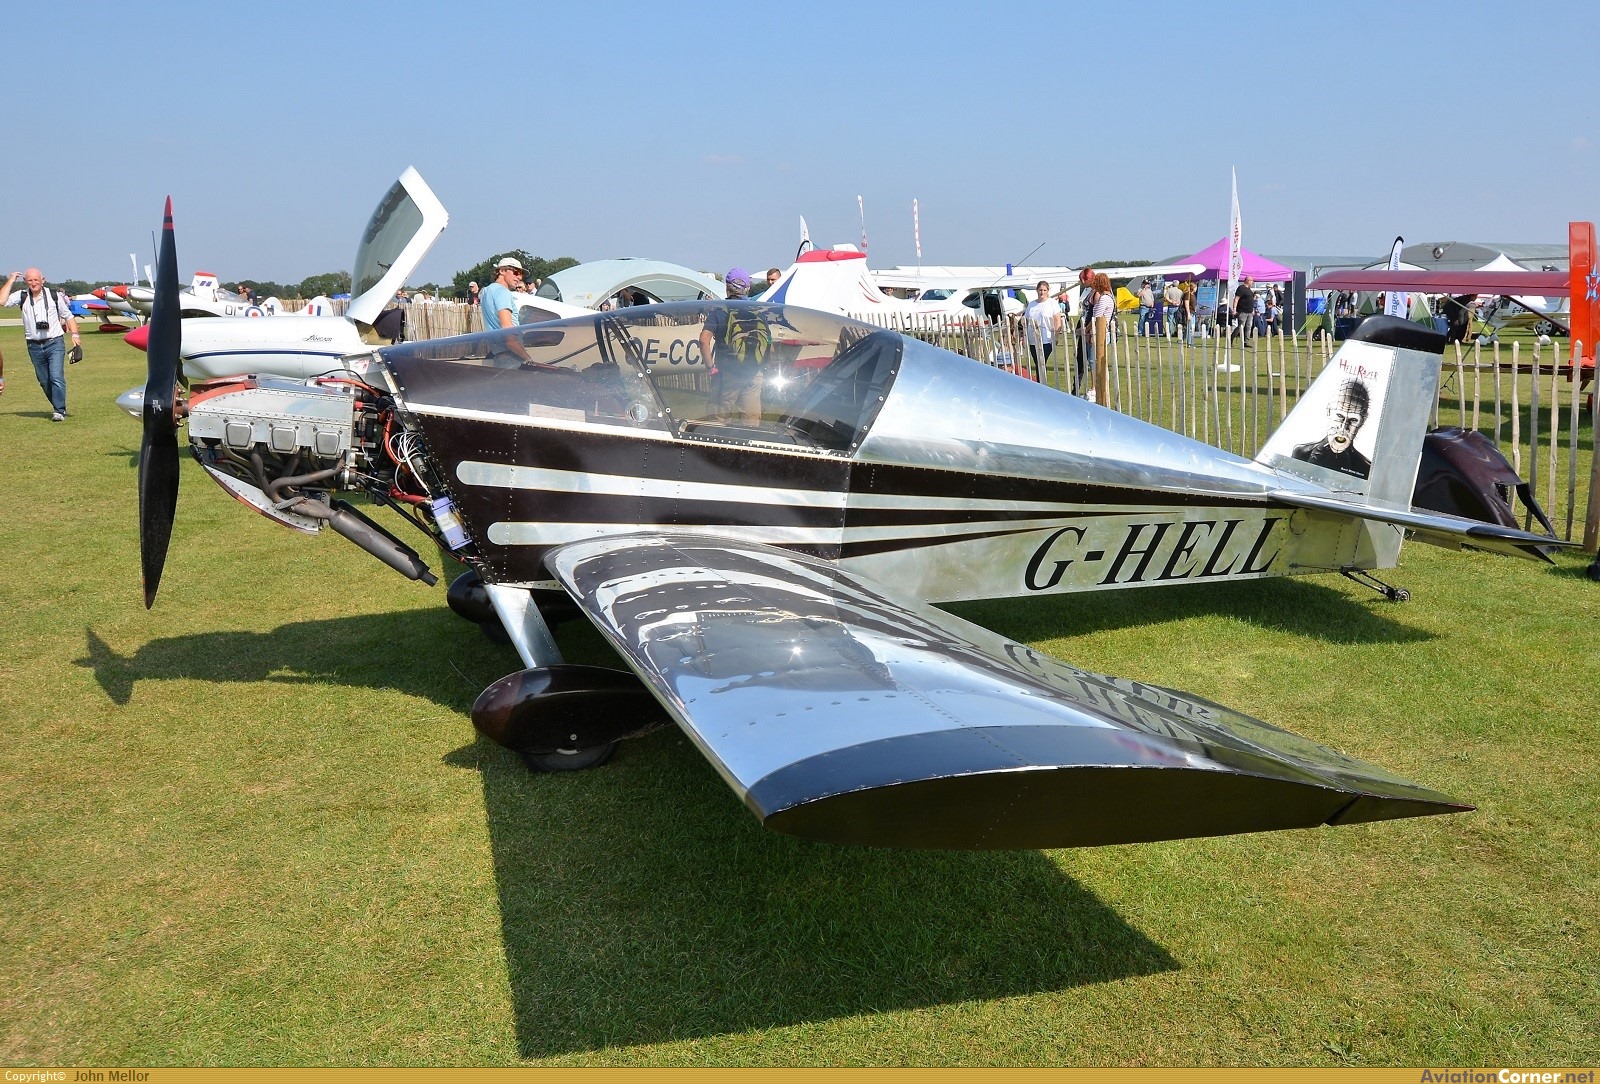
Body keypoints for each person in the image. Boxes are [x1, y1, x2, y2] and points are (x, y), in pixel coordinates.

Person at [1, 268, 79, 421]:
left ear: (43, 280)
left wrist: (75, 334)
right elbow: (1, 301)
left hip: (54, 342)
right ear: (25, 281)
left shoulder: (54, 296)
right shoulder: (22, 296)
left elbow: (68, 316)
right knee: (44, 381)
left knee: (56, 377)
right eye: (30, 280)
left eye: (36, 280)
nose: (33, 283)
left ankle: (59, 411)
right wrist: (10, 280)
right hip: (34, 345)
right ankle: (58, 406)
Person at [698, 268, 769, 425]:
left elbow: (703, 340)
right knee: (750, 421)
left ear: (727, 287)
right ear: (747, 288)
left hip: (727, 372)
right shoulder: (757, 311)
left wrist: (710, 368)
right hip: (754, 372)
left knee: (718, 419)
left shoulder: (720, 310)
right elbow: (768, 341)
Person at [1291, 378, 1372, 479]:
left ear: (1362, 421)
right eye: (1340, 416)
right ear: (1329, 411)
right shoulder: (1301, 454)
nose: (1344, 427)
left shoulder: (1366, 469)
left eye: (1353, 420)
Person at [1023, 280, 1062, 376]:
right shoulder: (1031, 304)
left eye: (1044, 290)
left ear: (1048, 291)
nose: (1042, 292)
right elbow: (1026, 321)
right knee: (1037, 362)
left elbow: (1057, 320)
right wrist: (1023, 336)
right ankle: (1040, 381)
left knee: (1041, 362)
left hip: (1046, 339)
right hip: (1033, 339)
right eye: (1040, 290)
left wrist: (1056, 336)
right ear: (1037, 290)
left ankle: (1041, 380)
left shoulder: (1052, 303)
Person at [481, 257, 525, 332]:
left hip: (492, 338)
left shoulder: (486, 291)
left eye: (521, 274)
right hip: (505, 339)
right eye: (516, 273)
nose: (519, 277)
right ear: (502, 271)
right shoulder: (503, 291)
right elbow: (506, 326)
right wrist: (514, 340)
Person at [1233, 276, 1256, 345]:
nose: (1252, 282)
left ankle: (1246, 342)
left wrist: (1252, 309)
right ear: (1248, 281)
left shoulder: (1249, 290)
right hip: (1242, 311)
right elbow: (1236, 299)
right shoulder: (1241, 288)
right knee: (1240, 326)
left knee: (1248, 327)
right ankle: (1231, 338)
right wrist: (1234, 309)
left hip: (1250, 311)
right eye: (1252, 281)